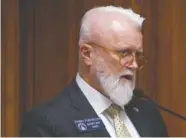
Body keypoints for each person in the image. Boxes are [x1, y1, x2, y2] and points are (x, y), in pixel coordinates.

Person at [20, 6, 168, 137]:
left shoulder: (147, 113)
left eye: (138, 55)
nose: (134, 65)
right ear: (87, 54)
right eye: (124, 53)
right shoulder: (47, 122)